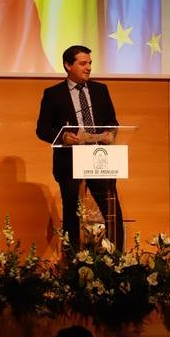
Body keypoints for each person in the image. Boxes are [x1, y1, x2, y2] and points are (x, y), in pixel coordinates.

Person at [36, 45, 124, 250]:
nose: (88, 68)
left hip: (99, 157)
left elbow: (113, 122)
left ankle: (118, 260)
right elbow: (42, 129)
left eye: (90, 63)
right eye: (83, 63)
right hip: (69, 160)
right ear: (68, 65)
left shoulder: (100, 90)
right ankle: (73, 260)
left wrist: (111, 133)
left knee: (112, 211)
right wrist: (63, 136)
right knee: (72, 214)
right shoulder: (53, 94)